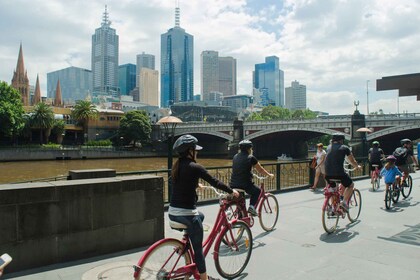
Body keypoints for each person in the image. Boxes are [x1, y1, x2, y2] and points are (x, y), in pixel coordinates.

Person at [168, 134, 239, 280]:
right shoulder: (195, 167)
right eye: (195, 149)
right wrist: (232, 191)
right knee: (199, 249)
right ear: (190, 151)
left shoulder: (176, 167)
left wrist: (195, 184)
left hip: (173, 212)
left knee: (201, 216)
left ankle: (185, 243)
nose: (197, 152)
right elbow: (215, 181)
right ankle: (204, 277)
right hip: (187, 214)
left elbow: (180, 184)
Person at [229, 139, 274, 216]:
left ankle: (241, 219)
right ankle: (252, 207)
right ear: (249, 149)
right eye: (251, 148)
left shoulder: (235, 157)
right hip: (245, 184)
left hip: (233, 184)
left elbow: (240, 168)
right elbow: (260, 170)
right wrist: (269, 175)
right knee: (257, 192)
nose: (252, 150)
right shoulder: (251, 157)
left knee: (241, 203)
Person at [324, 133, 361, 212]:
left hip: (327, 174)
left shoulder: (328, 147)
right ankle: (344, 203)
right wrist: (357, 166)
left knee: (334, 190)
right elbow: (352, 160)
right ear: (341, 140)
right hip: (339, 174)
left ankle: (333, 208)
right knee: (350, 185)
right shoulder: (345, 148)